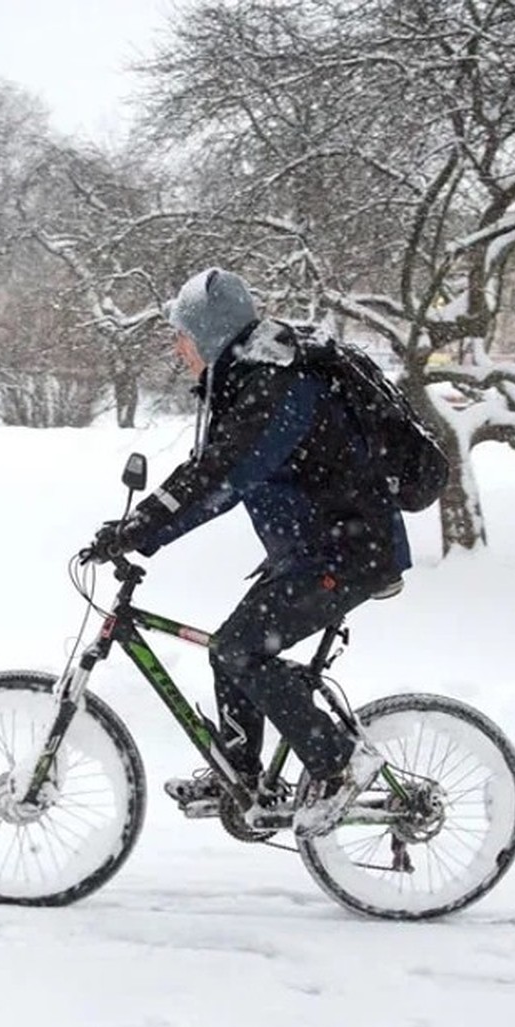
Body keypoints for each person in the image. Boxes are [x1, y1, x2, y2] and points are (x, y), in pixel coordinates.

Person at [85, 267, 411, 838]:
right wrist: (142, 526)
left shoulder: (277, 386)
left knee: (241, 649)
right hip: (315, 550)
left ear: (210, 334)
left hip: (349, 553)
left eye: (182, 334)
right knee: (230, 647)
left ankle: (342, 767)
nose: (176, 346)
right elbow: (212, 472)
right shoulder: (251, 381)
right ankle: (242, 775)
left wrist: (138, 531)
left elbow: (220, 478)